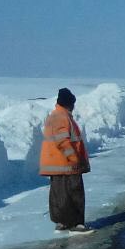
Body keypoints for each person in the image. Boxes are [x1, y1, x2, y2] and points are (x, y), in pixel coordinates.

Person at [39, 88, 93, 234]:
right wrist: (74, 158)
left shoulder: (55, 115)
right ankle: (76, 224)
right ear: (69, 103)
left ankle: (62, 222)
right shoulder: (61, 117)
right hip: (66, 164)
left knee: (59, 194)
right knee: (74, 192)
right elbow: (62, 140)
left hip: (57, 164)